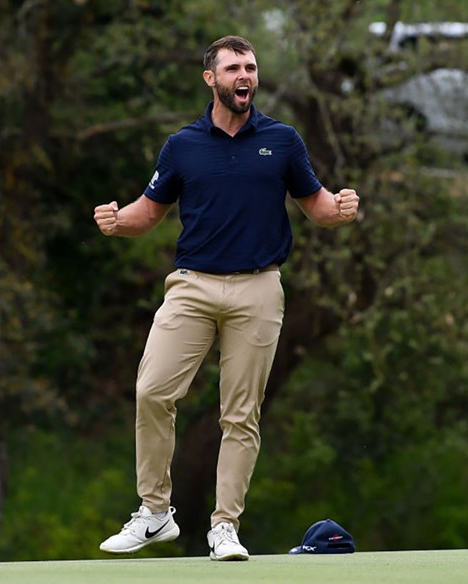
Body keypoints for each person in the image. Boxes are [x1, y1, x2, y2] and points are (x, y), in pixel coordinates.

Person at [93, 35, 360, 561]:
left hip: (259, 288)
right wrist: (115, 221)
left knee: (240, 414)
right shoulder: (182, 146)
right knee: (152, 391)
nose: (246, 76)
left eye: (252, 68)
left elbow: (317, 205)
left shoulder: (282, 141)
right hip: (191, 286)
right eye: (235, 68)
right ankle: (154, 513)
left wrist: (341, 208)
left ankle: (225, 528)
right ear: (210, 78)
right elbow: (147, 214)